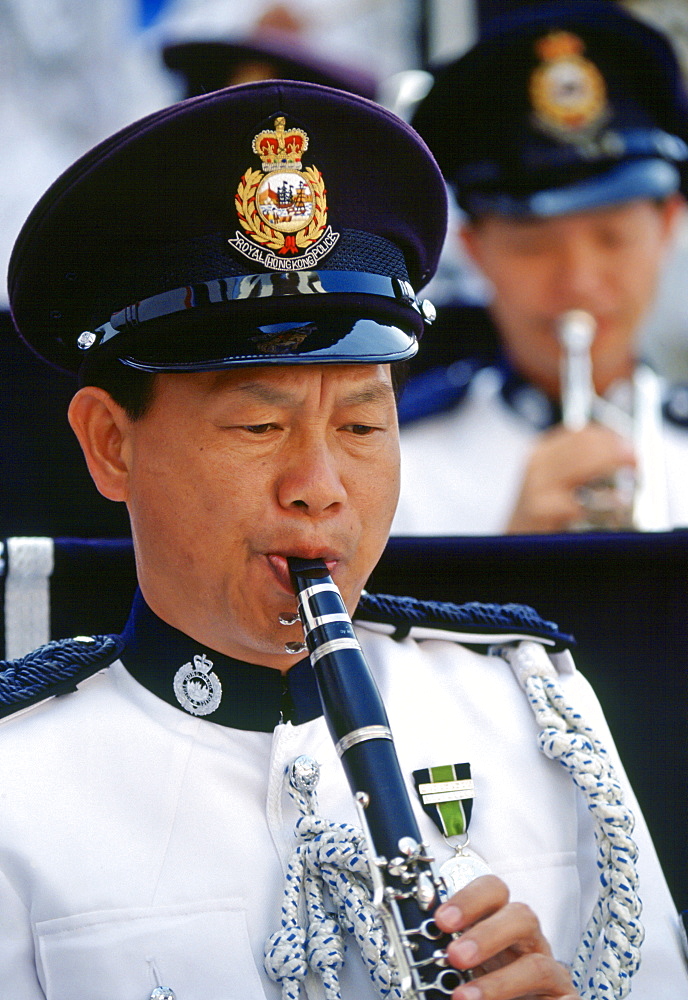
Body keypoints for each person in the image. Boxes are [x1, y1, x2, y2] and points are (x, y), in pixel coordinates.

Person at [1, 79, 686, 999]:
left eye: (362, 428)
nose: (320, 490)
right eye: (258, 428)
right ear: (111, 445)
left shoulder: (534, 712)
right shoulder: (20, 786)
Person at [391, 0, 688, 536]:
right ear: (475, 250)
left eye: (612, 237)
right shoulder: (398, 474)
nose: (579, 282)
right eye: (532, 245)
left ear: (669, 224)